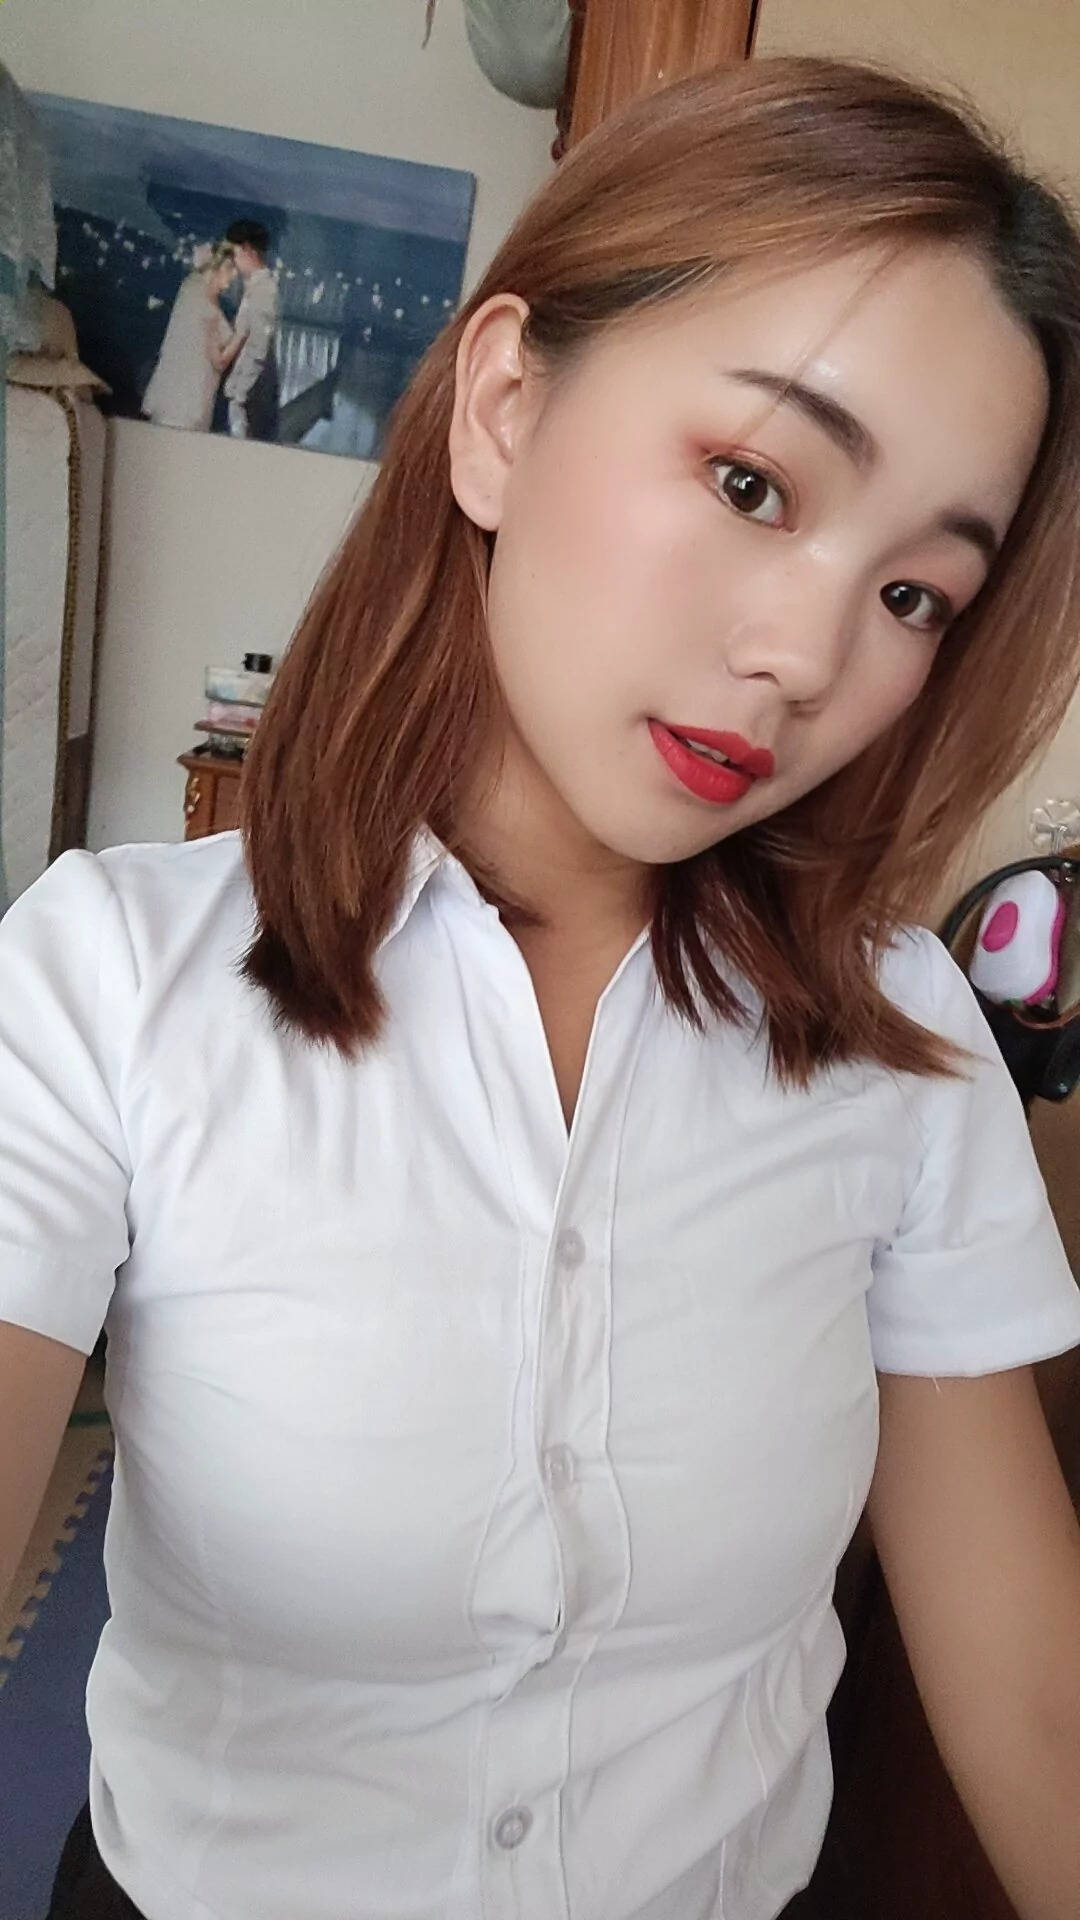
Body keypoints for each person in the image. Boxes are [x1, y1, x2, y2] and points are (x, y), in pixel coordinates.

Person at [3, 55, 1080, 1920]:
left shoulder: (903, 1042)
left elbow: (1041, 1709)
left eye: (917, 594)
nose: (809, 654)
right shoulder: (109, 978)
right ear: (503, 408)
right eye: (752, 481)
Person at [140, 242, 238, 432]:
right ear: (218, 268)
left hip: (177, 395)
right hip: (188, 401)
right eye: (229, 269)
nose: (233, 276)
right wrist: (242, 334)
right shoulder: (203, 302)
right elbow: (219, 361)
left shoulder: (191, 288)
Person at [222, 216, 280, 441]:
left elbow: (258, 347)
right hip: (249, 391)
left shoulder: (263, 290)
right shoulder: (256, 287)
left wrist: (239, 393)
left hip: (250, 395)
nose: (234, 261)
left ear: (248, 250)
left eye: (235, 254)